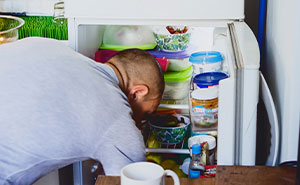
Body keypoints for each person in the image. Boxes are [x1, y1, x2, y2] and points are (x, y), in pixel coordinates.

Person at [0, 37, 164, 185]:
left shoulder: (52, 45)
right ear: (137, 92)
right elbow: (134, 181)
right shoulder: (117, 119)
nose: (139, 125)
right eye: (144, 115)